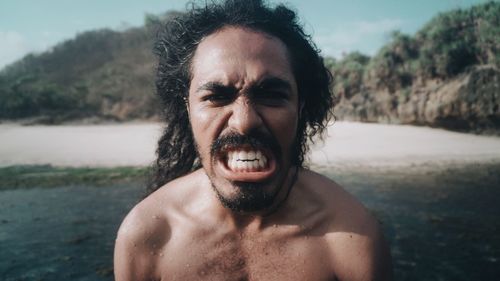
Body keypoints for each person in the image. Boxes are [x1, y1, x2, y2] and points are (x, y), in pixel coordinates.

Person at [114, 0, 393, 280]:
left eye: (271, 95)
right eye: (217, 97)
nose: (244, 121)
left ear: (300, 108)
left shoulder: (353, 236)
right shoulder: (147, 235)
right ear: (188, 109)